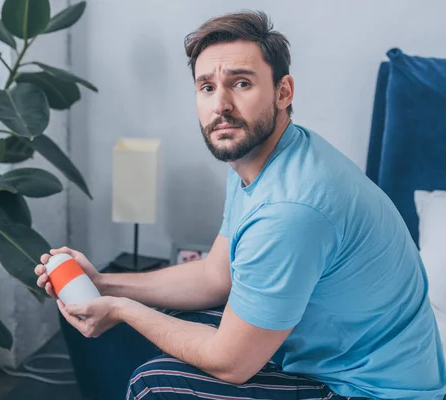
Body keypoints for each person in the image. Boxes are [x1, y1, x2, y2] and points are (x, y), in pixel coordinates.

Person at [35, 10, 446, 399]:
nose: (221, 105)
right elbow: (216, 276)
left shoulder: (291, 207)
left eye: (242, 83)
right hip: (337, 357)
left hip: (370, 389)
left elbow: (232, 364)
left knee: (154, 383)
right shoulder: (259, 159)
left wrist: (123, 308)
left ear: (283, 91)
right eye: (207, 87)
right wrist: (103, 284)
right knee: (174, 325)